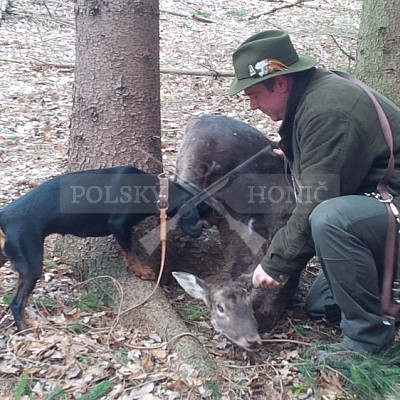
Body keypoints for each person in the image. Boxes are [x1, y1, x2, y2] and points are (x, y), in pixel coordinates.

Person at [229, 30, 400, 353]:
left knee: (330, 219)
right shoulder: (315, 94)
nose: (251, 106)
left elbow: (318, 199)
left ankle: (368, 345)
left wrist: (274, 262)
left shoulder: (329, 111)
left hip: (393, 210)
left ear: (279, 83)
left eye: (253, 94)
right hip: (382, 209)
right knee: (322, 303)